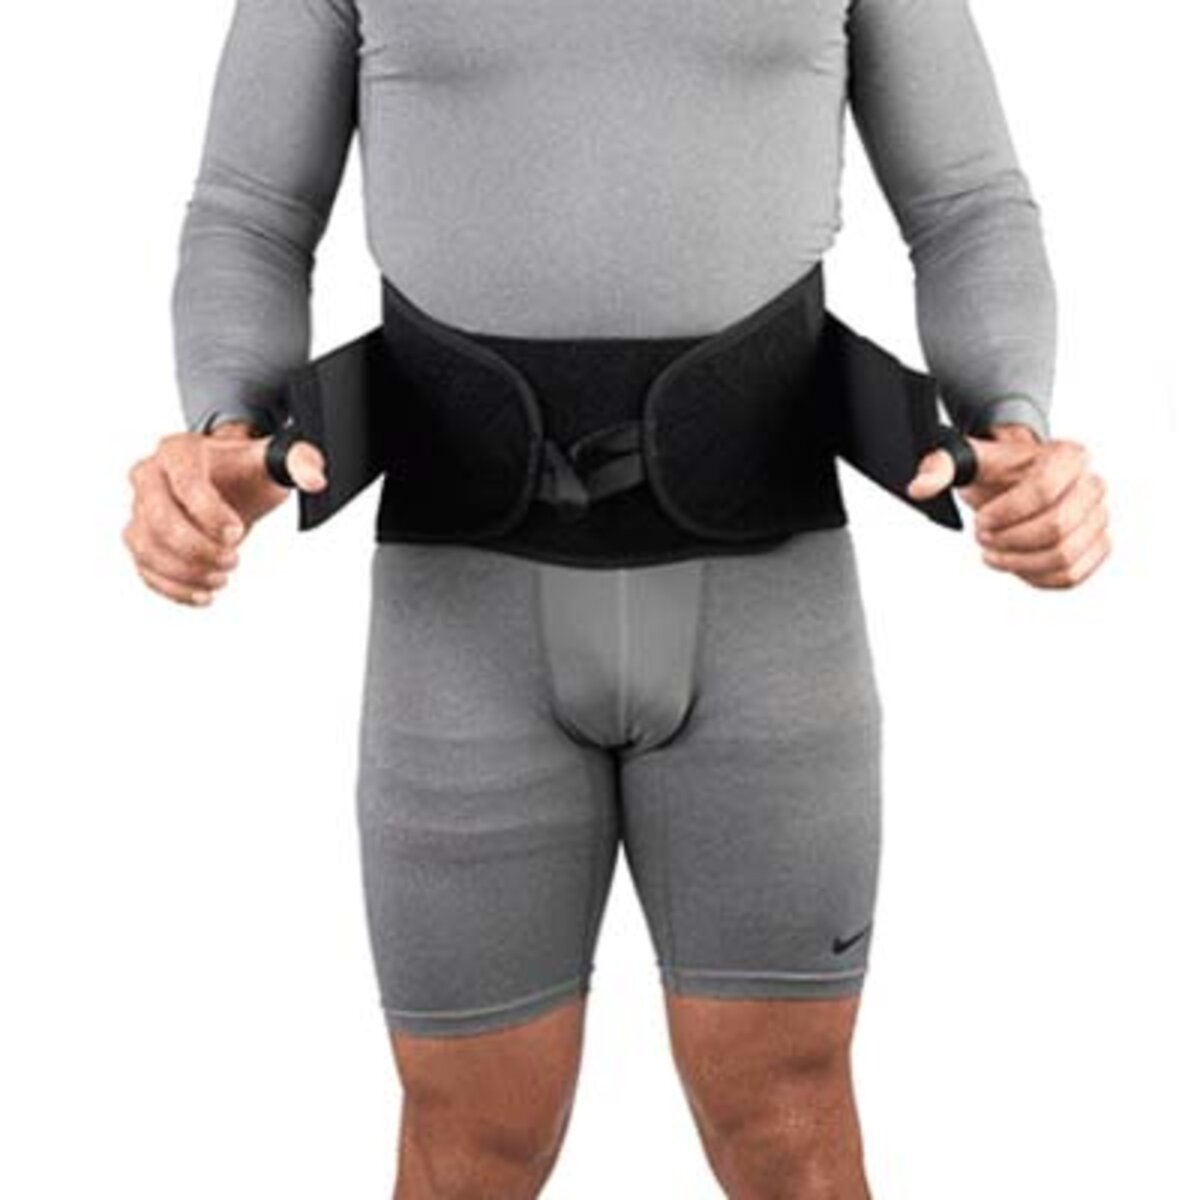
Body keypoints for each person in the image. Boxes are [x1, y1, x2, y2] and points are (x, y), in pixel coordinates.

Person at [123, 1, 1111, 1195]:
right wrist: (225, 429)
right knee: (469, 1143)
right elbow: (252, 212)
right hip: (462, 618)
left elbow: (966, 205)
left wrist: (1014, 426)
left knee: (788, 1120)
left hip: (769, 610)